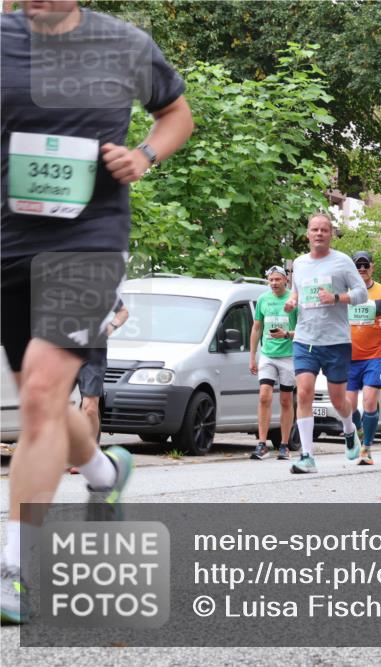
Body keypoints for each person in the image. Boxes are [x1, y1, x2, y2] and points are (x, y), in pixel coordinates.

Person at [0, 0, 193, 623]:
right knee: (46, 403)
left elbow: (175, 115)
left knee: (39, 395)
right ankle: (105, 473)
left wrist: (144, 156)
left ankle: (12, 569)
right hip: (7, 247)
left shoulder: (124, 43)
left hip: (87, 244)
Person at [283, 213, 369, 474]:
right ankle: (307, 456)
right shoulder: (299, 263)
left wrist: (336, 297)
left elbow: (362, 294)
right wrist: (292, 301)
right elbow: (298, 290)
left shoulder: (342, 262)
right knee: (305, 392)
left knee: (338, 399)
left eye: (324, 230)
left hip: (335, 341)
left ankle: (350, 429)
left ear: (331, 234)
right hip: (305, 338)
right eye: (314, 229)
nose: (319, 234)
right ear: (307, 234)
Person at [347, 250, 381, 465]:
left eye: (365, 265)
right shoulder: (345, 291)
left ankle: (367, 449)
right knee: (349, 407)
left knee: (369, 402)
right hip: (348, 357)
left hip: (374, 356)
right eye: (357, 266)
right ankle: (359, 434)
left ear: (372, 267)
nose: (362, 270)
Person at [249, 265, 297, 461]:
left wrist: (287, 334)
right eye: (271, 280)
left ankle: (284, 445)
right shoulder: (263, 299)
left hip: (289, 356)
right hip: (268, 355)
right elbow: (256, 328)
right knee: (264, 396)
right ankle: (262, 443)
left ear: (285, 280)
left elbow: (304, 329)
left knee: (286, 400)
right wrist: (252, 356)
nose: (274, 283)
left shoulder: (293, 300)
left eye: (278, 279)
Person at [76, 300, 129, 440]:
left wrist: (111, 326)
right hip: (61, 352)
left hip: (93, 353)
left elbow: (123, 312)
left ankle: (90, 455)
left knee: (90, 408)